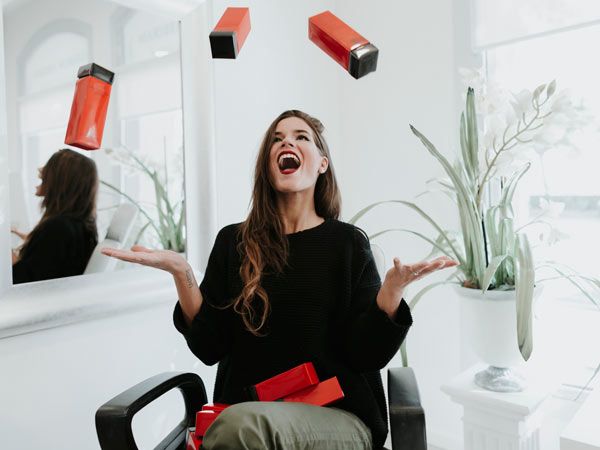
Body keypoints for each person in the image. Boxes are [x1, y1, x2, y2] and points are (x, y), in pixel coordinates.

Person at [102, 110, 458, 449]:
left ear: (322, 164)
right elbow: (210, 347)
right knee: (239, 429)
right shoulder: (234, 242)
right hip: (244, 417)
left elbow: (364, 354)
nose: (286, 143)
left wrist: (392, 291)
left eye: (301, 137)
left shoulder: (347, 243)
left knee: (238, 431)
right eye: (277, 140)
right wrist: (182, 273)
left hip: (336, 417)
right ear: (267, 166)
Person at [12, 148, 99, 284]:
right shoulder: (77, 225)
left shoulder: (58, 228)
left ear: (60, 180)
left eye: (49, 167)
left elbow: (20, 279)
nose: (41, 170)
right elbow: (47, 256)